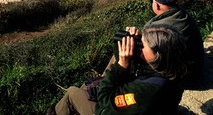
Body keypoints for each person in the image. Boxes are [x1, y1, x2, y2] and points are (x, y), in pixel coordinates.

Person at [48, 24, 188, 115]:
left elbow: (105, 103)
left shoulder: (146, 91)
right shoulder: (173, 66)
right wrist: (124, 46)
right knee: (88, 85)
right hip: (148, 107)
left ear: (158, 55)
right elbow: (136, 75)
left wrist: (122, 66)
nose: (139, 46)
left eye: (143, 45)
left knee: (72, 92)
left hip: (111, 108)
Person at [105, 0, 204, 88]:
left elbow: (151, 54)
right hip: (195, 68)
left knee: (123, 47)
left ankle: (109, 80)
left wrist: (132, 42)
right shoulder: (183, 14)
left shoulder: (158, 27)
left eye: (152, 2)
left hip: (181, 78)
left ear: (156, 5)